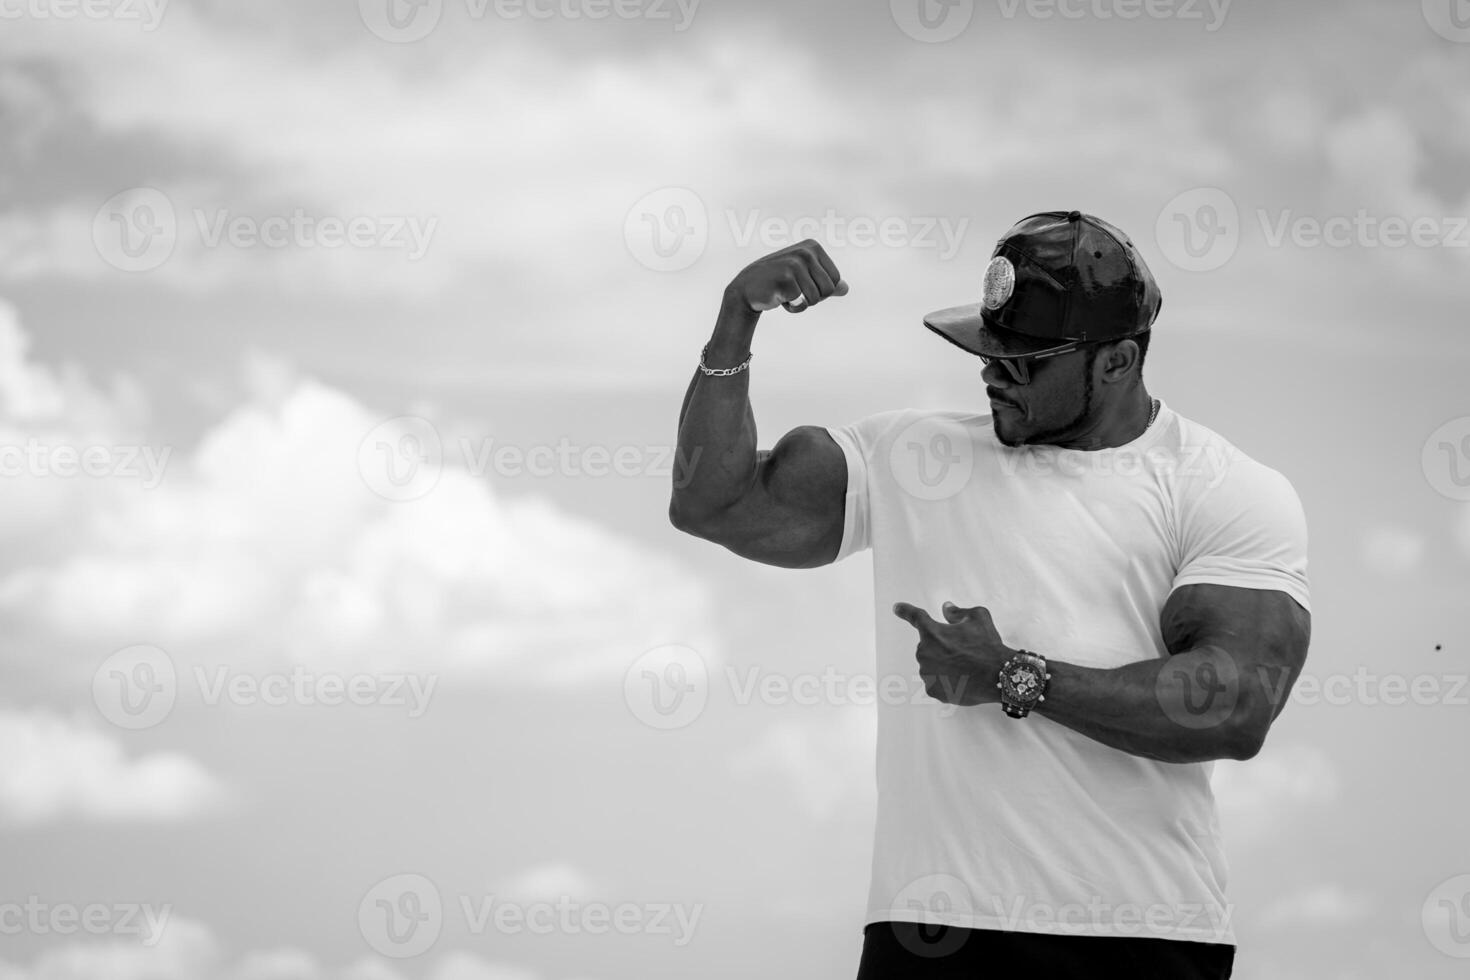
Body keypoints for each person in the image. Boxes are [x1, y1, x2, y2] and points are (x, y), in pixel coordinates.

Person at [669, 210, 1311, 979]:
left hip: (1143, 935)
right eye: (989, 348)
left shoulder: (1221, 487)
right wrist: (736, 320)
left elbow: (1235, 704)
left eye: (1026, 360)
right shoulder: (910, 456)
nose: (992, 371)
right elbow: (714, 503)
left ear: (1118, 362)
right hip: (927, 932)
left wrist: (1014, 675)